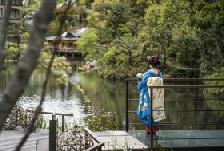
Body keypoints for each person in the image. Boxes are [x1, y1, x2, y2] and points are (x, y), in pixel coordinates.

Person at [136, 56, 163, 134]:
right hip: (156, 97)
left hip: (147, 97)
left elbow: (140, 86)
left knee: (145, 112)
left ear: (150, 65)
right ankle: (153, 130)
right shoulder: (160, 74)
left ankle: (149, 130)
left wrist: (139, 78)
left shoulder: (147, 74)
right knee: (154, 112)